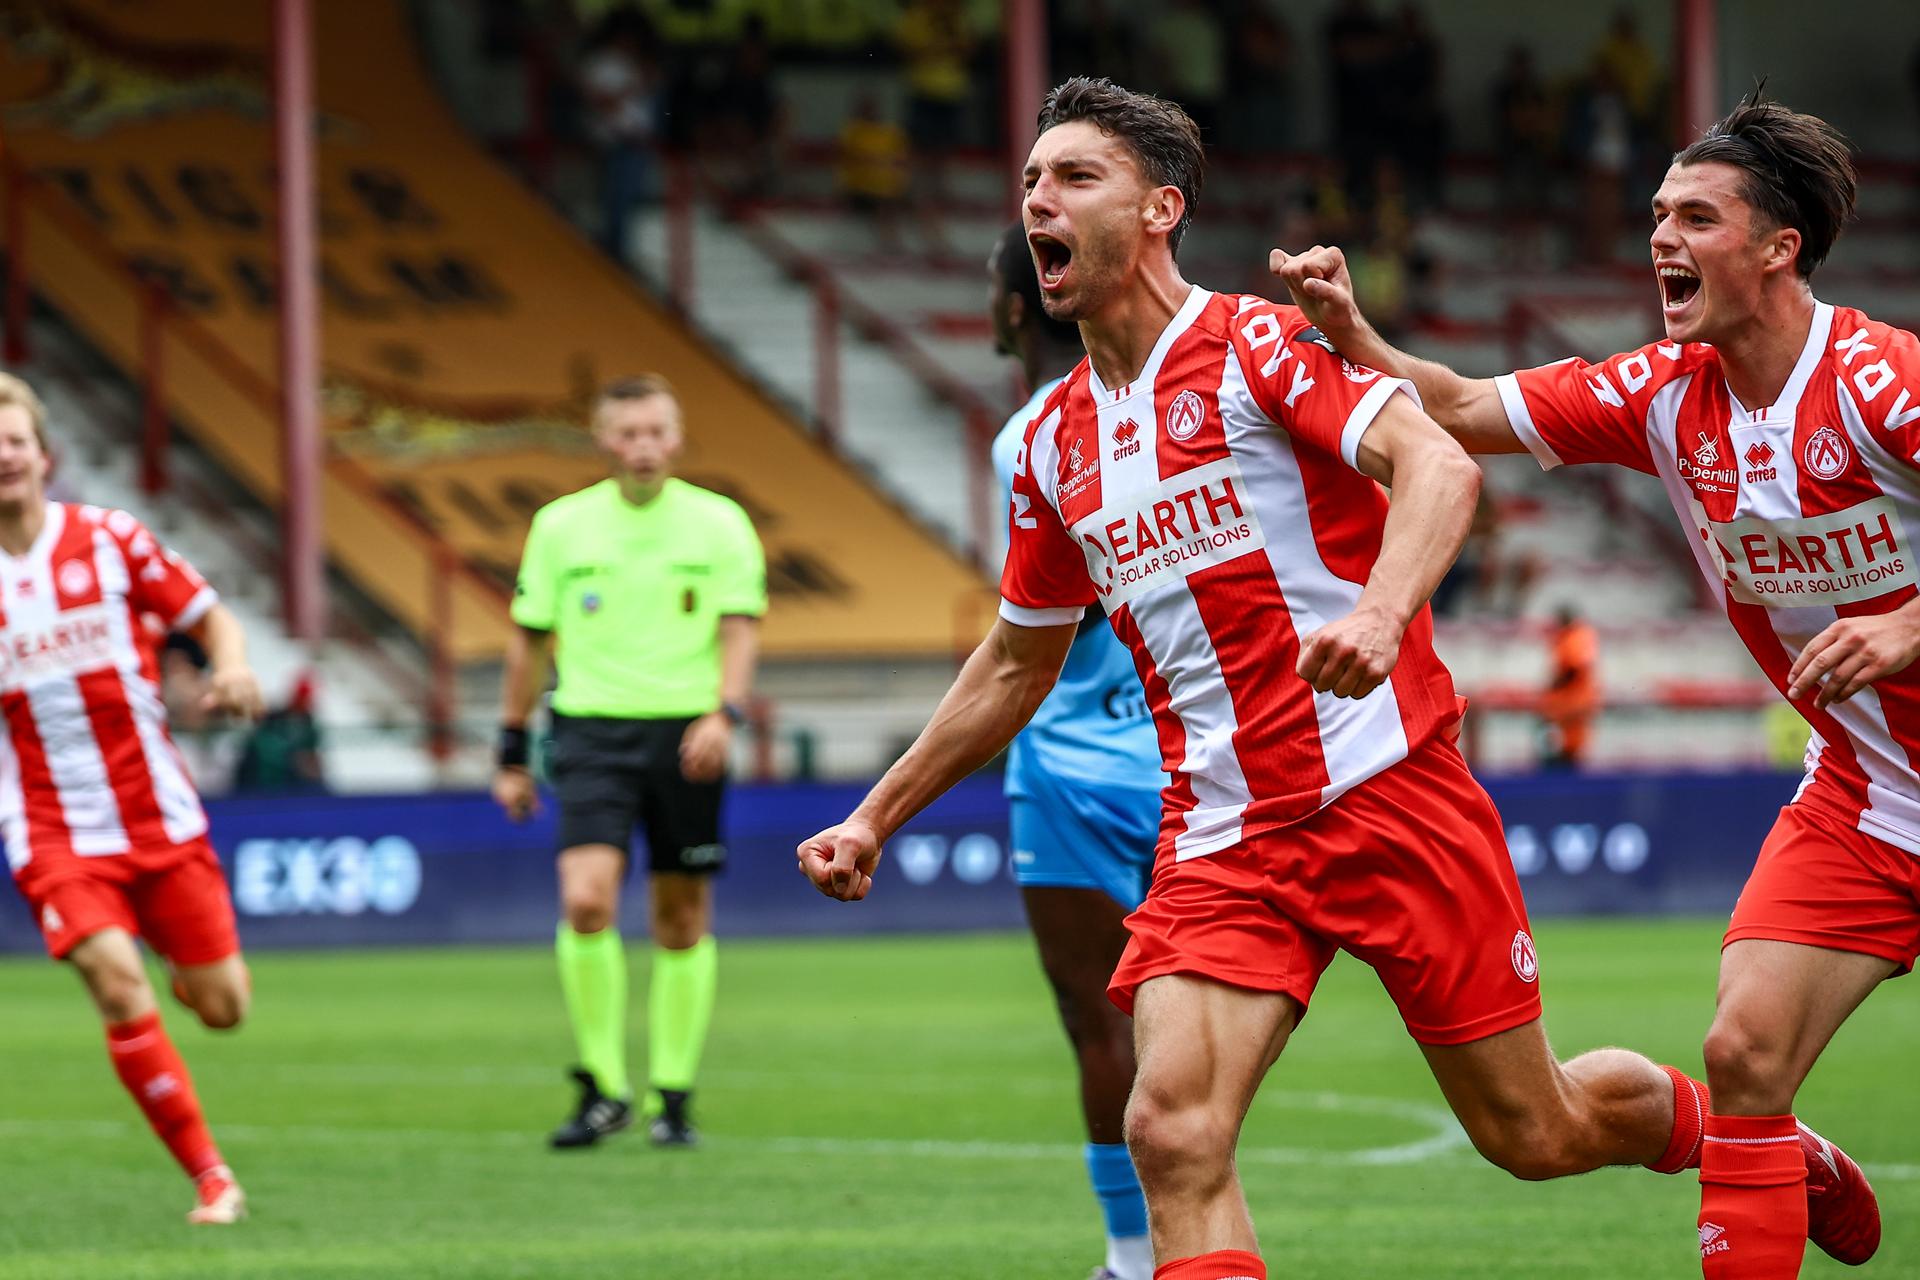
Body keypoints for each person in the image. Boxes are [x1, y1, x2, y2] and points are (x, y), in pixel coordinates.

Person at [796, 77, 1851, 1280]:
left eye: (1076, 177)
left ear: (1159, 210)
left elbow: (1438, 463)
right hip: (1225, 830)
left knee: (1533, 1130)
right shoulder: (1048, 445)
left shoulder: (1254, 343)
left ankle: (1751, 1140)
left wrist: (1381, 611)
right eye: (1032, 180)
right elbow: (1018, 655)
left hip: (1391, 788)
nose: (1040, 198)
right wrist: (875, 811)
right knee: (1171, 1126)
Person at [1271, 91, 1894, 1277]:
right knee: (1745, 1053)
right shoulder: (1661, 390)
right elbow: (1451, 406)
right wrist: (1354, 334)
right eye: (1658, 212)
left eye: (1696, 216)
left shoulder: (1878, 380)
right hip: (1869, 795)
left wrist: (1909, 620)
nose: (1661, 235)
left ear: (1780, 247)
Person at [0, 372, 262, 1224]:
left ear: (45, 455)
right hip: (50, 827)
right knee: (115, 984)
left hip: (159, 817)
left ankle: (184, 977)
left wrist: (231, 667)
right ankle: (212, 1178)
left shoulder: (111, 539)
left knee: (224, 1010)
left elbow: (209, 614)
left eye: (13, 442)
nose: (3, 459)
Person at [494, 374, 765, 1150]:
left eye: (656, 431)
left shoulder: (719, 525)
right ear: (603, 441)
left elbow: (740, 629)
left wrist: (725, 713)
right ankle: (604, 1083)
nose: (643, 446)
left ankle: (671, 1095)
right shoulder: (560, 527)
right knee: (586, 900)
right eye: (627, 433)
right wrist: (511, 749)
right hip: (588, 731)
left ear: (676, 438)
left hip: (687, 733)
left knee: (681, 917)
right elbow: (527, 638)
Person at [987, 219, 1165, 1280]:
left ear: (1017, 309)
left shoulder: (1034, 435)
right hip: (1188, 755)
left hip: (1067, 767)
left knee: (1099, 1024)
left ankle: (1133, 1254)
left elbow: (1033, 634)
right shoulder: (1164, 416)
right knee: (1192, 1023)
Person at [1539, 607, 1599, 767]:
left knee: (1566, 747)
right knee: (1567, 745)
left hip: (1570, 703)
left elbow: (1573, 668)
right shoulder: (1577, 637)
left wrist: (1554, 684)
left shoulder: (1575, 637)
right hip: (1573, 702)